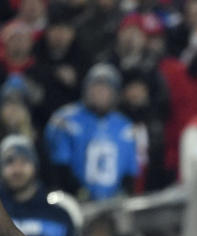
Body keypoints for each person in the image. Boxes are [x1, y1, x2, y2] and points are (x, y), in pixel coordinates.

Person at [43, 63, 139, 201]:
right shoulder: (65, 120)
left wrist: (123, 194)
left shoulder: (126, 127)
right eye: (95, 86)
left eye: (105, 87)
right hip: (74, 199)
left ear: (115, 94)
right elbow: (58, 166)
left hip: (113, 204)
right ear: (86, 89)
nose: (99, 91)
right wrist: (77, 192)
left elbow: (130, 173)